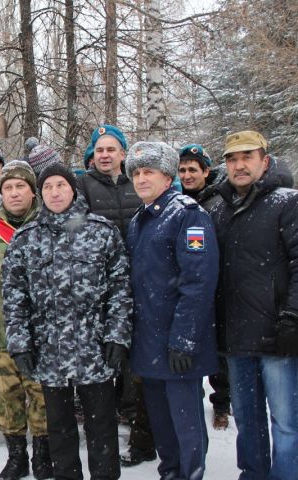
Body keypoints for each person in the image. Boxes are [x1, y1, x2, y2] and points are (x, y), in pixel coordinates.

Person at [3, 162, 132, 480]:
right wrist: (20, 343)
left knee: (101, 427)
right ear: (40, 193)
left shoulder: (102, 231)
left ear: (73, 189)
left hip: (95, 347)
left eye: (60, 185)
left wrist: (118, 335)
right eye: (47, 186)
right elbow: (14, 297)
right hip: (50, 350)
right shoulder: (26, 238)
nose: (54, 191)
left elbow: (120, 289)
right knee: (58, 429)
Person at [126, 142, 219, 480]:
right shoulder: (140, 219)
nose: (140, 178)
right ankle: (170, 474)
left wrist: (184, 338)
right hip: (149, 344)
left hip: (178, 344)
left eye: (148, 171)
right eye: (135, 173)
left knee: (186, 425)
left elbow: (198, 281)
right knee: (162, 426)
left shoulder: (187, 215)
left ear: (167, 177)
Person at [210, 130, 298, 479]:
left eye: (247, 156)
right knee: (248, 421)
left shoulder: (288, 203)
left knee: (286, 422)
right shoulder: (217, 209)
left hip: (278, 336)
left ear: (265, 160)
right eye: (232, 158)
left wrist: (293, 316)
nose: (239, 165)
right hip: (237, 340)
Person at [77, 125, 155, 467]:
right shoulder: (82, 185)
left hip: (141, 286)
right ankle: (103, 443)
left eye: (111, 149)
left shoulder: (138, 184)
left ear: (123, 153)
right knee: (104, 365)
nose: (105, 155)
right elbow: (73, 229)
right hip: (99, 290)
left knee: (140, 369)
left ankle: (142, 442)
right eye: (100, 149)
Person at [0, 161, 52, 480]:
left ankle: (43, 457)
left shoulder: (50, 227)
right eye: (7, 187)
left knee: (43, 398)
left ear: (33, 192)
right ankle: (17, 456)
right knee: (8, 398)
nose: (14, 192)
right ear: (0, 193)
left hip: (43, 337)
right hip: (2, 334)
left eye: (20, 186)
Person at [177, 144, 232, 430]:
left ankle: (221, 402)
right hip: (187, 286)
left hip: (218, 284)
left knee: (218, 351)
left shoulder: (218, 200)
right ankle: (193, 395)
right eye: (182, 170)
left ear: (206, 172)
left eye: (192, 170)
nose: (187, 175)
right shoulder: (174, 202)